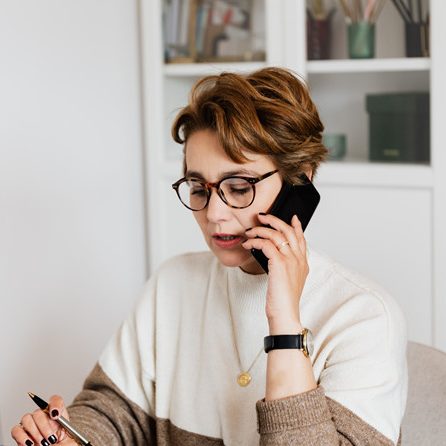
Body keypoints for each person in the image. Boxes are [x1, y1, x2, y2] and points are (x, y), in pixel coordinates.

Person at [11, 67, 407, 446]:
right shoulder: (173, 285)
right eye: (198, 187)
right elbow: (115, 411)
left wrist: (284, 325)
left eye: (238, 187)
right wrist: (69, 437)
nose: (213, 213)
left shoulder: (364, 319)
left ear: (298, 182)